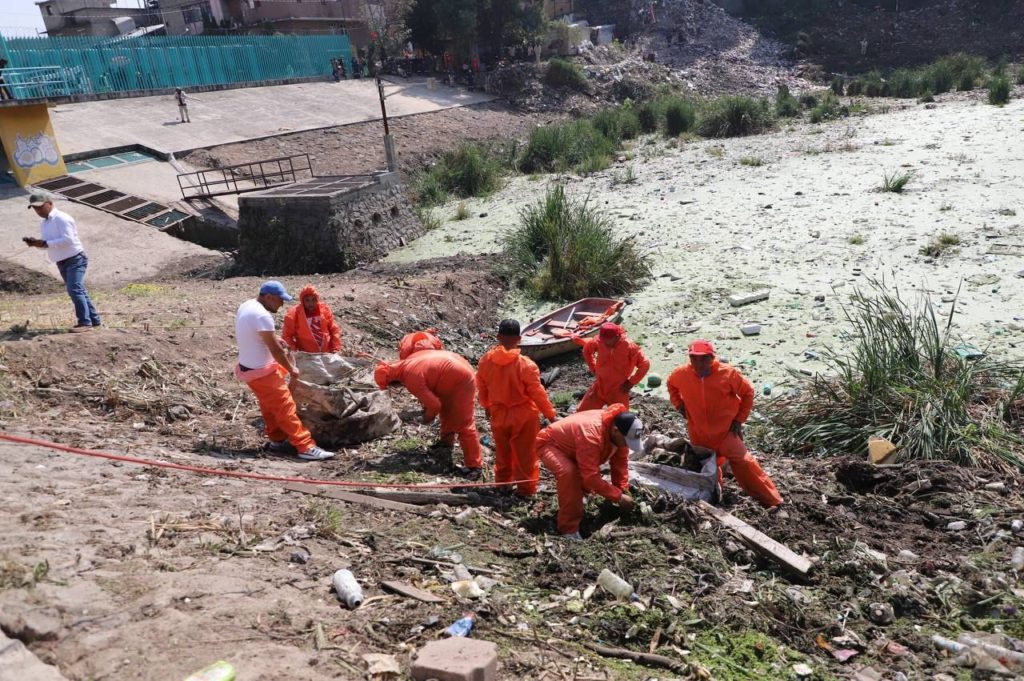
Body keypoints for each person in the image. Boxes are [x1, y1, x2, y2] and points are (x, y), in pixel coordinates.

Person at [666, 339, 782, 509]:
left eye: (704, 358)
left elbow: (748, 393)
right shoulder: (682, 374)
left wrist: (739, 419)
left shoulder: (728, 374)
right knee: (708, 464)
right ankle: (714, 496)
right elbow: (671, 385)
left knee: (745, 463)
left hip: (725, 432)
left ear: (712, 358)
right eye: (694, 358)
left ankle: (771, 500)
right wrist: (679, 405)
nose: (698, 363)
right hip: (699, 432)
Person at [234, 281, 334, 461]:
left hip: (249, 369)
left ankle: (276, 440)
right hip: (262, 371)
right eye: (280, 300)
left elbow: (258, 334)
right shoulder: (262, 316)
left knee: (269, 406)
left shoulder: (247, 306)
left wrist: (275, 337)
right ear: (268, 297)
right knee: (286, 407)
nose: (281, 305)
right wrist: (292, 369)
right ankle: (306, 447)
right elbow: (276, 351)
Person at [476, 319, 557, 497]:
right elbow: (537, 393)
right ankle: (525, 490)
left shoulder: (485, 361)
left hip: (498, 413)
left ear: (498, 337)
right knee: (526, 456)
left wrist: (486, 406)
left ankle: (503, 484)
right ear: (519, 339)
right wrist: (551, 415)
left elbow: (481, 387)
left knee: (503, 452)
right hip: (524, 415)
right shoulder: (525, 365)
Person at [536, 404, 642, 539]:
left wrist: (622, 489)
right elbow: (590, 477)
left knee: (583, 474)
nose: (627, 445)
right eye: (627, 441)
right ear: (615, 430)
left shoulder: (618, 431)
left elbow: (620, 464)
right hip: (550, 444)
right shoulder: (592, 434)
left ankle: (579, 500)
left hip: (575, 448)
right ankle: (568, 529)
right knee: (569, 474)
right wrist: (619, 497)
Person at [374, 349, 482, 477]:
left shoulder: (410, 378)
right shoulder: (408, 361)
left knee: (463, 423)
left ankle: (474, 466)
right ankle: (446, 443)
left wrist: (427, 418)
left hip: (461, 378)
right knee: (447, 409)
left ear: (392, 381)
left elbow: (435, 405)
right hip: (455, 369)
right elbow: (431, 390)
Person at [23, 193, 100, 332]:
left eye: (40, 207)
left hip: (75, 258)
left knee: (74, 289)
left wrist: (45, 243)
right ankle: (94, 320)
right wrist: (36, 244)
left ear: (50, 203)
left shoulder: (62, 218)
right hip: (62, 261)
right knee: (78, 290)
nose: (38, 211)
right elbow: (50, 244)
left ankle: (85, 323)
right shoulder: (44, 223)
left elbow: (68, 240)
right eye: (35, 208)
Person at [572, 323, 650, 411]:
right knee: (582, 411)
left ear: (617, 337)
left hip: (618, 388)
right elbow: (587, 350)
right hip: (599, 384)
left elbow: (645, 364)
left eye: (607, 340)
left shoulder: (630, 346)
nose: (604, 343)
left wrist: (631, 382)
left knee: (621, 418)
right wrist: (593, 367)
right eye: (602, 339)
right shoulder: (598, 341)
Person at [282, 285, 342, 354]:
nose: (311, 303)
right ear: (302, 300)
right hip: (307, 356)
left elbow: (334, 330)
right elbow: (287, 336)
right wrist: (295, 352)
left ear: (317, 299)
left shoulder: (324, 310)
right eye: (307, 300)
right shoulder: (294, 314)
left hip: (327, 353)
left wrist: (335, 348)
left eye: (313, 299)